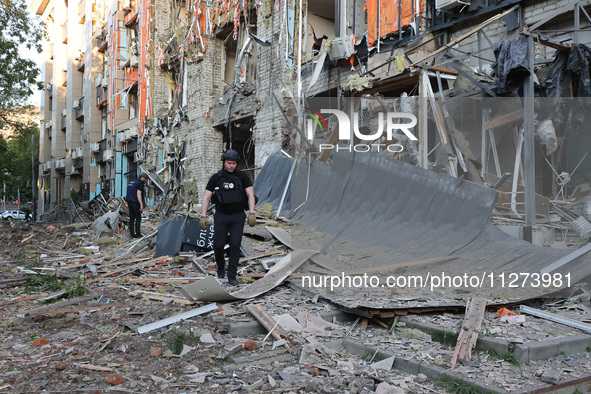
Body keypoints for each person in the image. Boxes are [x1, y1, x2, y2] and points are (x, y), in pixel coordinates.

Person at [200, 150, 256, 286]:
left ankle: (232, 275)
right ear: (224, 162)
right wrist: (203, 215)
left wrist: (252, 213)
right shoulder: (216, 178)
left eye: (234, 163)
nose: (231, 166)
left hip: (238, 216)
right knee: (218, 244)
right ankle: (220, 266)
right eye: (229, 163)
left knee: (235, 245)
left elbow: (250, 195)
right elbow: (207, 197)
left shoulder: (242, 177)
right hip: (221, 215)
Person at [126, 173, 147, 238]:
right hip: (135, 202)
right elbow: (138, 194)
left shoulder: (131, 182)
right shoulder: (140, 183)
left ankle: (132, 234)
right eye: (146, 179)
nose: (146, 181)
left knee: (132, 218)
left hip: (129, 202)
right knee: (138, 218)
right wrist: (141, 204)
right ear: (142, 178)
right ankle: (138, 234)